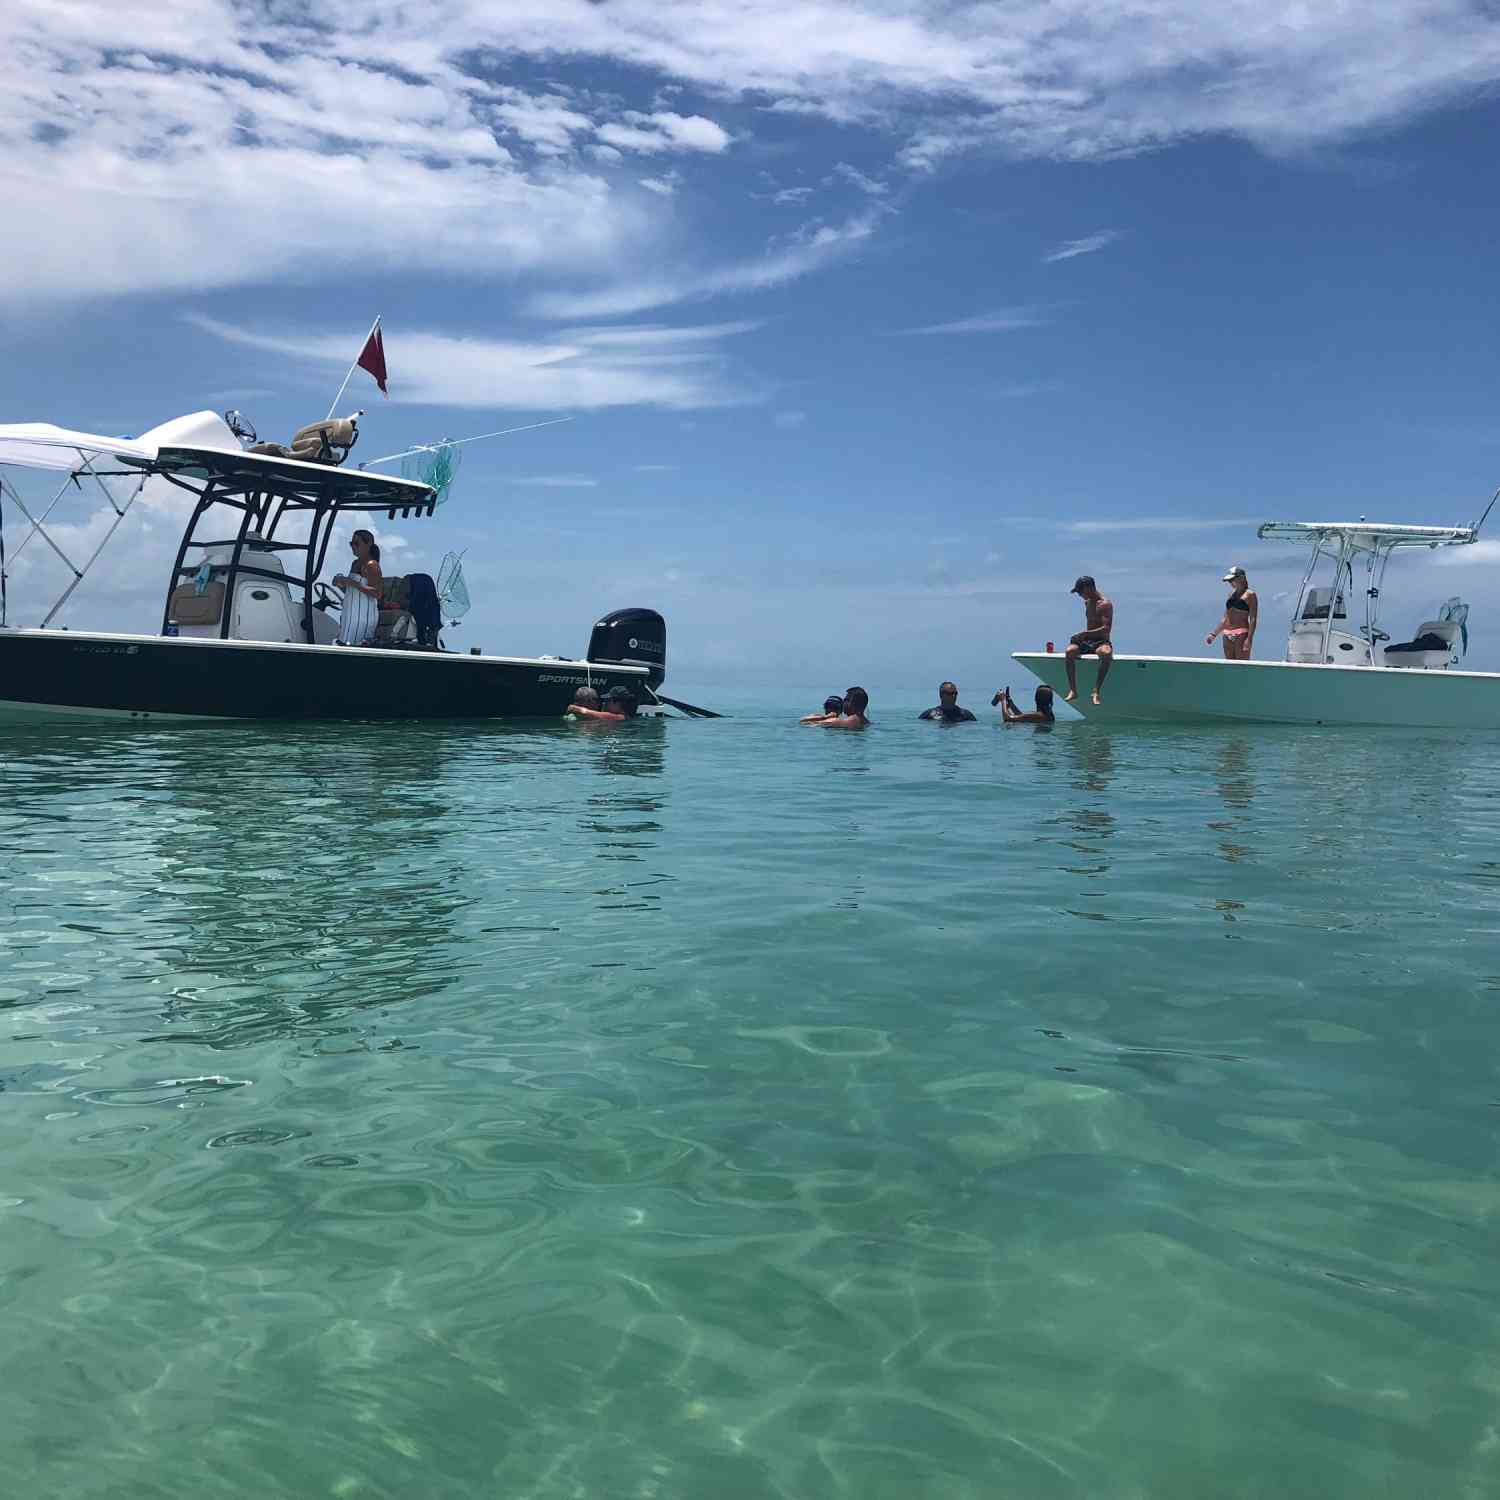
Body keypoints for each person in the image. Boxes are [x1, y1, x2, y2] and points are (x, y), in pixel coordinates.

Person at [1064, 575, 1113, 705]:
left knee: (1106, 653)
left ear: (1088, 588)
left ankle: (1096, 691)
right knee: (1070, 651)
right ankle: (1073, 690)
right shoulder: (1087, 602)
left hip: (1100, 641)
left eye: (1080, 591)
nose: (1079, 595)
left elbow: (1106, 629)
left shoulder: (1105, 604)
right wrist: (1081, 637)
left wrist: (1085, 633)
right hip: (1087, 641)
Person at [332, 529, 382, 646]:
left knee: (352, 646)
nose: (353, 547)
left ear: (368, 544)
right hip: (350, 614)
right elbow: (353, 591)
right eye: (351, 544)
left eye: (356, 543)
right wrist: (340, 584)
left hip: (362, 617)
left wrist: (352, 582)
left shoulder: (372, 565)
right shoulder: (355, 564)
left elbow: (377, 593)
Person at [1207, 566, 1258, 660]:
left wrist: (1249, 639)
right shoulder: (1230, 595)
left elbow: (1253, 619)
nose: (1230, 583)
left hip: (1241, 634)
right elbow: (1225, 618)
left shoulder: (1250, 594)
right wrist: (1213, 634)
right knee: (1230, 667)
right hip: (1226, 634)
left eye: (1232, 580)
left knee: (1241, 667)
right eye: (1229, 581)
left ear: (1241, 578)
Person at [567, 684, 638, 721]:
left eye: (607, 700)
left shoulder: (619, 717)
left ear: (617, 703)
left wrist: (574, 707)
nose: (604, 703)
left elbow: (585, 712)